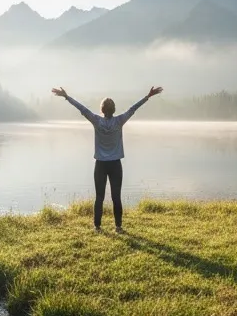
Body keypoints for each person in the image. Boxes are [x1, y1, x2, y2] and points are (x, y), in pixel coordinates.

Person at [52, 85, 163, 233]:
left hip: (101, 165)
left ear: (102, 110)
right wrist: (148, 96)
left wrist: (67, 97)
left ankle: (97, 227)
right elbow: (133, 109)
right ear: (114, 109)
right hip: (115, 165)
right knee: (116, 197)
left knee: (99, 197)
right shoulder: (119, 121)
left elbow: (83, 109)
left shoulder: (97, 121)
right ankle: (118, 227)